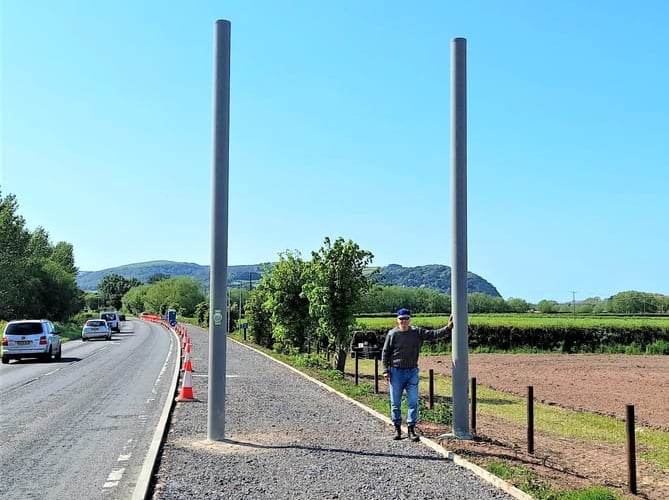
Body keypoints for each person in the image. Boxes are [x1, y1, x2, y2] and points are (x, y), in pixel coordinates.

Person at [381, 308, 454, 441]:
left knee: (413, 402)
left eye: (406, 318)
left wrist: (447, 328)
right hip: (395, 372)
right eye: (401, 319)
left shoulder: (417, 332)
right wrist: (385, 370)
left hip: (412, 371)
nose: (404, 321)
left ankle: (411, 430)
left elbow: (433, 334)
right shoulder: (392, 334)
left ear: (410, 319)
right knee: (395, 403)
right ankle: (397, 429)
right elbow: (385, 353)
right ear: (397, 320)